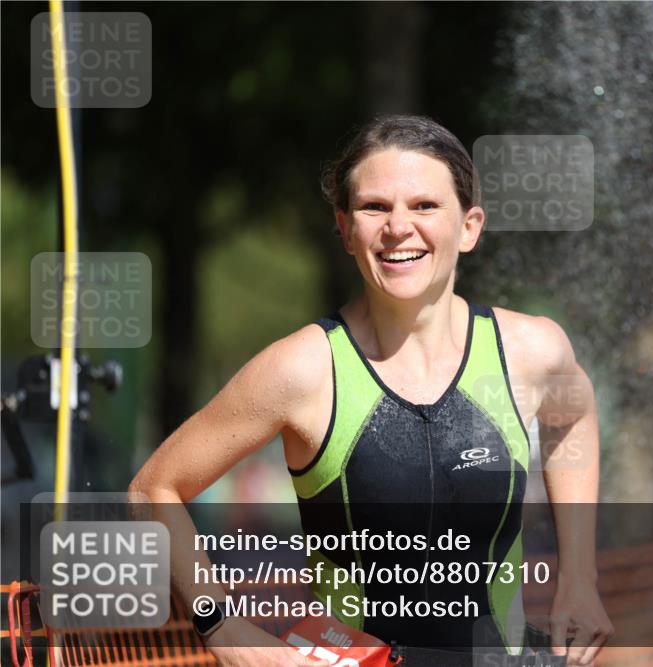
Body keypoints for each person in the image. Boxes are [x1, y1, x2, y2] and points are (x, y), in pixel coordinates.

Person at [129, 114, 613, 667]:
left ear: (470, 227)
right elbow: (152, 489)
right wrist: (228, 632)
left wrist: (579, 575)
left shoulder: (532, 351)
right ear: (344, 228)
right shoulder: (303, 370)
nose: (398, 228)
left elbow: (572, 415)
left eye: (425, 206)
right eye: (374, 207)